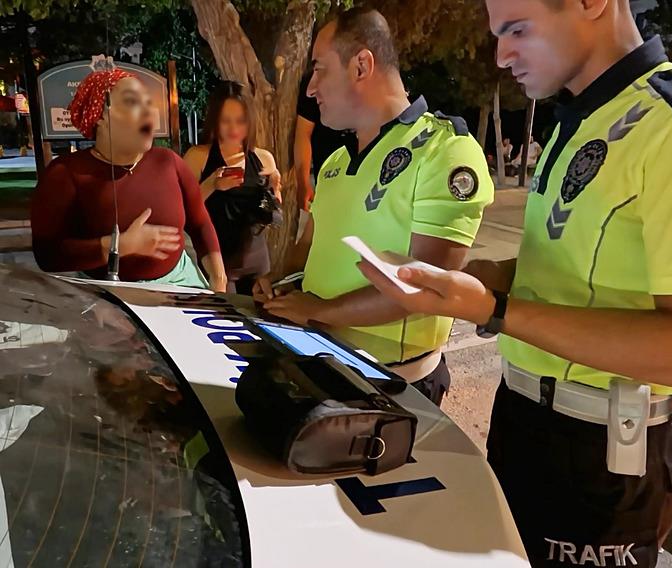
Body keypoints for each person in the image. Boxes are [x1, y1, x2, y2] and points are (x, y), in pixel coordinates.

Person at [357, 0, 672, 565]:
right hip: (527, 420)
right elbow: (562, 274)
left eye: (517, 30)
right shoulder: (576, 120)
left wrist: (495, 309)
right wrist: (460, 281)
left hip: (604, 449)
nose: (500, 55)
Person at [253, 8, 494, 406]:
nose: (311, 88)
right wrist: (282, 284)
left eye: (319, 70)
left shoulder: (445, 150)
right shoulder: (334, 163)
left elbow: (430, 285)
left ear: (362, 65)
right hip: (319, 364)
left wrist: (322, 310)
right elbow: (310, 245)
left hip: (393, 387)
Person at [31, 68, 226, 291]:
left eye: (149, 102)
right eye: (132, 102)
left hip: (182, 286)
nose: (149, 111)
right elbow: (47, 255)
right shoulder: (64, 173)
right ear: (101, 116)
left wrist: (218, 278)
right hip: (106, 299)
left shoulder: (169, 162)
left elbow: (200, 222)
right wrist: (117, 246)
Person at [183, 81, 282, 294]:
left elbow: (272, 213)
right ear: (215, 121)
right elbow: (182, 211)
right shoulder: (198, 157)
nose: (234, 129)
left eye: (240, 121)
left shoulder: (263, 158)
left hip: (257, 261)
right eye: (226, 121)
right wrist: (212, 184)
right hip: (217, 261)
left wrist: (274, 192)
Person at [294, 73, 355, 211]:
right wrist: (303, 181)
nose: (311, 91)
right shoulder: (314, 80)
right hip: (327, 179)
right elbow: (303, 133)